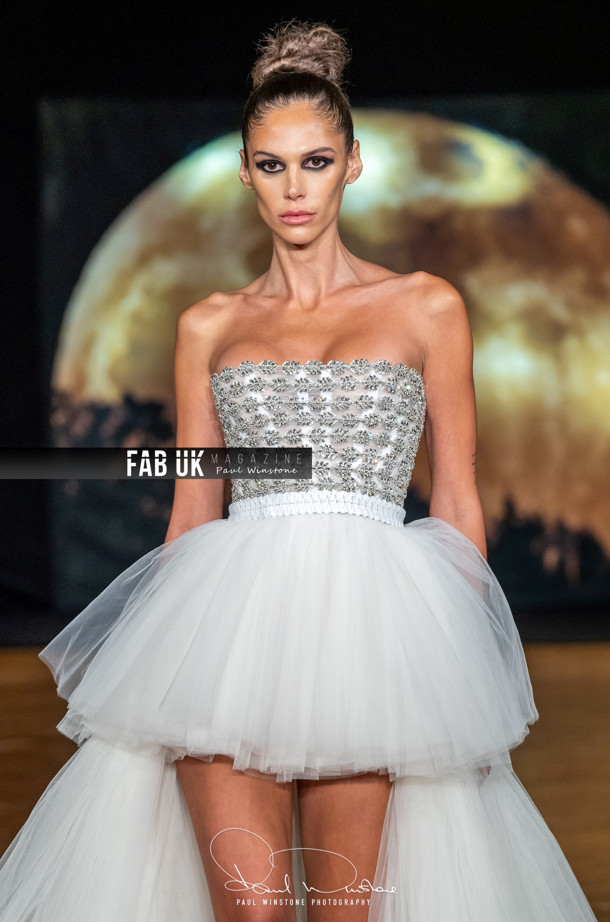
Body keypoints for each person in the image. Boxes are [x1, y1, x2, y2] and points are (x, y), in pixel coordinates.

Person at [0, 19, 599, 922]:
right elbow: (195, 503)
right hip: (228, 628)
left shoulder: (427, 307)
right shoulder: (208, 325)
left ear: (353, 164)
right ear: (245, 172)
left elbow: (457, 498)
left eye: (315, 162)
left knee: (345, 908)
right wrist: (158, 659)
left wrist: (460, 671)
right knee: (253, 910)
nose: (294, 187)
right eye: (272, 164)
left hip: (371, 633)